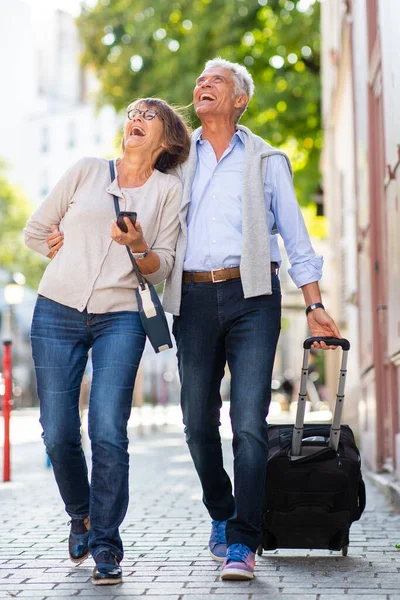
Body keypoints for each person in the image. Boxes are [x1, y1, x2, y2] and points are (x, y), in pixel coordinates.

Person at [163, 58, 342, 581]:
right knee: (197, 423)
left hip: (253, 297)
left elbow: (294, 235)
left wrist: (313, 305)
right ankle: (222, 510)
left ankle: (243, 540)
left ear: (240, 99)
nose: (202, 85)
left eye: (215, 80)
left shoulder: (267, 161)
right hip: (193, 298)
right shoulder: (176, 160)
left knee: (248, 423)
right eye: (199, 80)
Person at [24, 98, 190, 585]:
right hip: (57, 308)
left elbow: (160, 265)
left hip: (121, 315)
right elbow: (36, 231)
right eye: (133, 113)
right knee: (57, 430)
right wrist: (51, 244)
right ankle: (81, 513)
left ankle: (106, 546)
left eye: (149, 116)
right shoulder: (87, 171)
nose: (136, 119)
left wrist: (137, 245)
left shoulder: (167, 191)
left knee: (108, 431)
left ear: (165, 139)